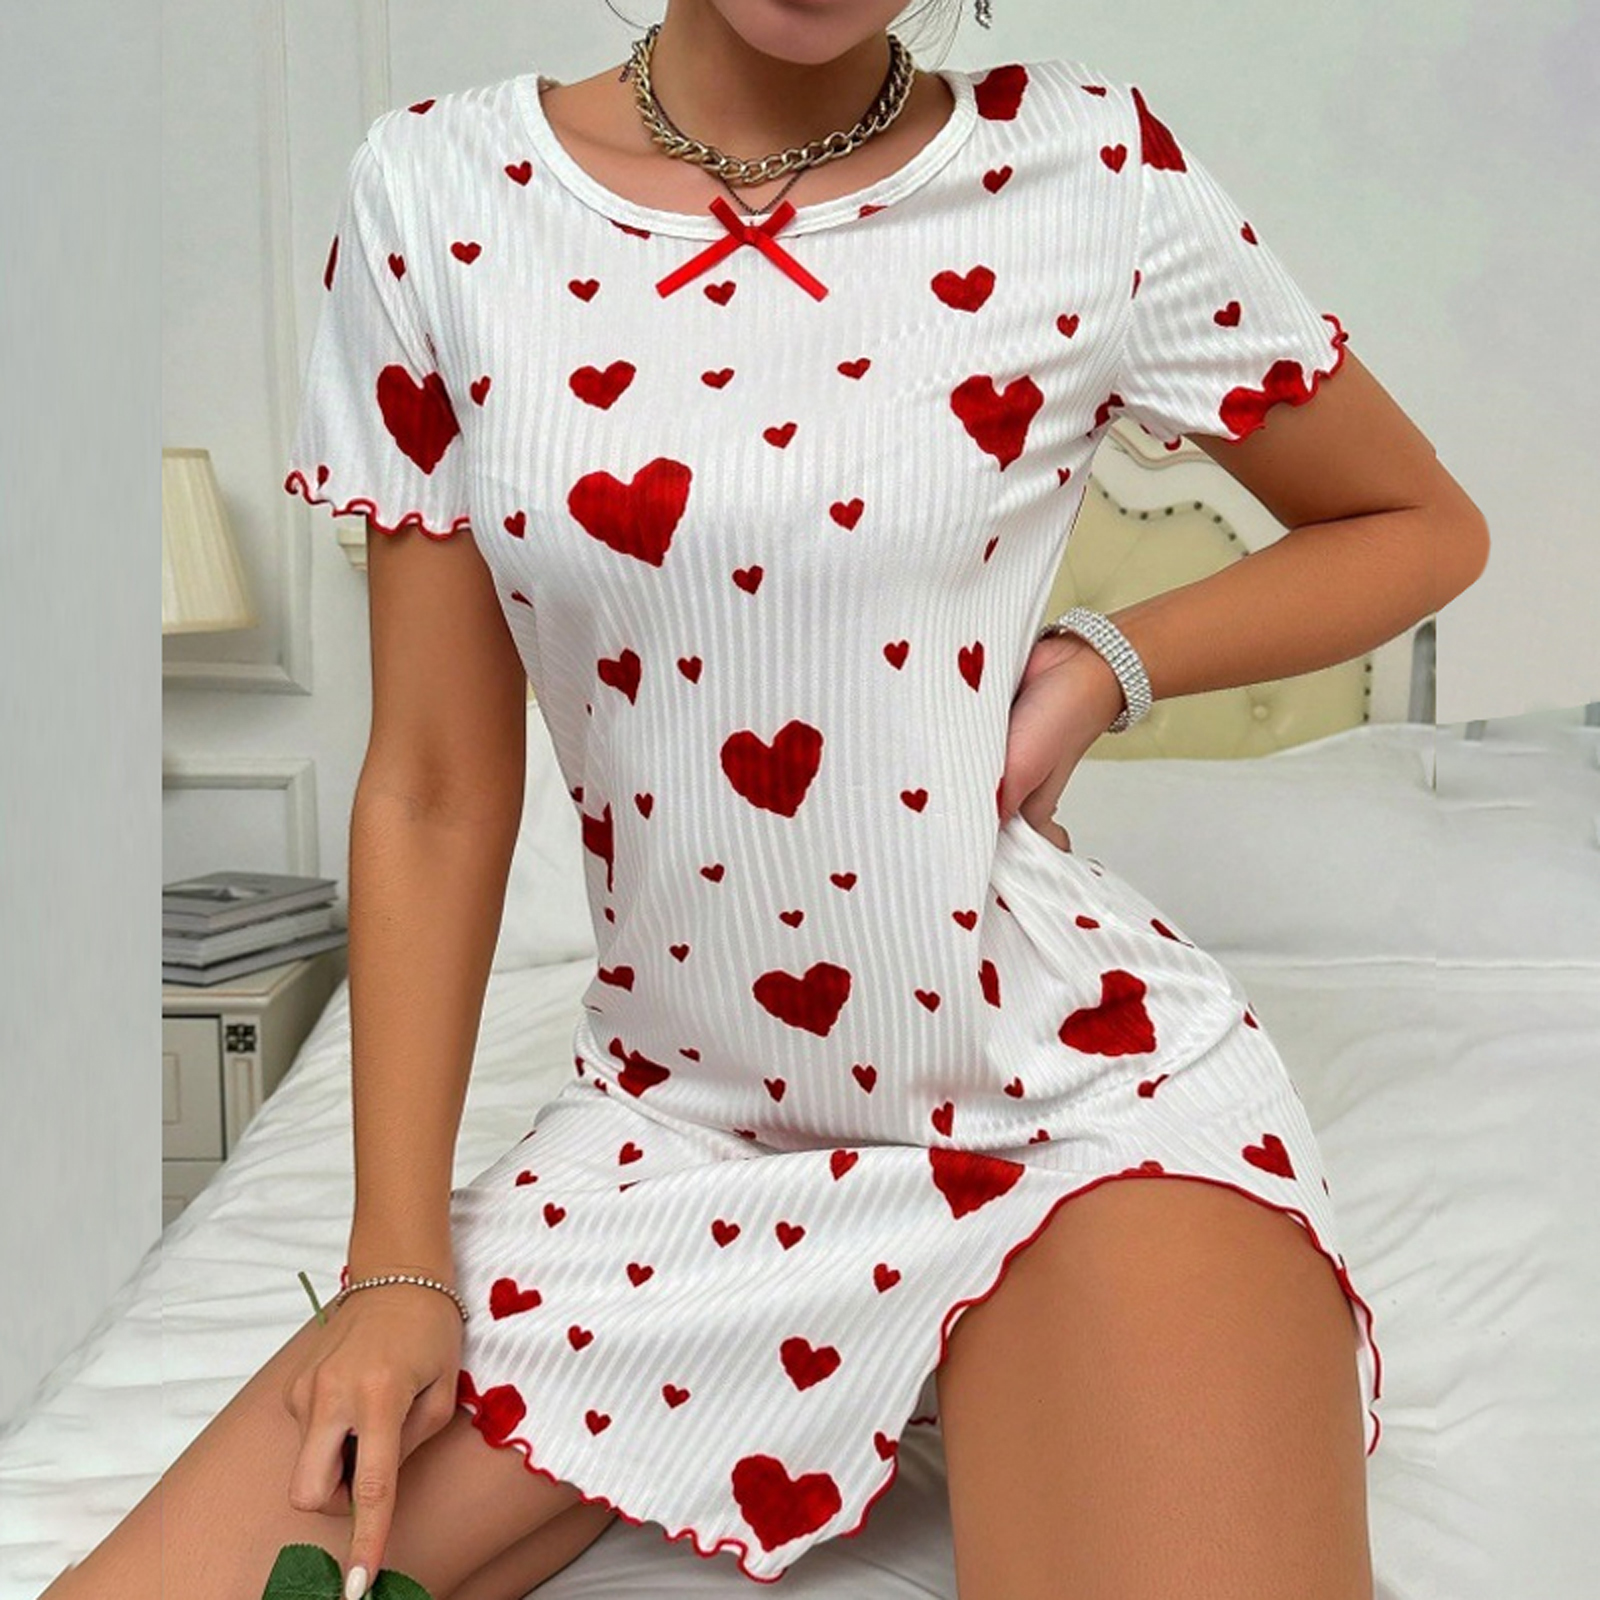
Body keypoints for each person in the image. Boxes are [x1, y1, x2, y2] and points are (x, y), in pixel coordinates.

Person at [54, 1, 1489, 1597]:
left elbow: (1416, 523)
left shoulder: (1087, 170)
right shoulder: (441, 197)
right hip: (673, 1135)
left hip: (1065, 1107)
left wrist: (1105, 660)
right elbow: (438, 787)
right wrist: (396, 1259)